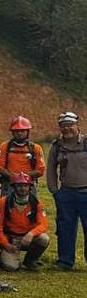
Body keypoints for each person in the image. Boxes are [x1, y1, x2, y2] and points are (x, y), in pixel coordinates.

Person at [46, 111, 87, 271]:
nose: (67, 128)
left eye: (70, 125)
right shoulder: (57, 146)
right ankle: (65, 262)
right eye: (63, 126)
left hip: (86, 193)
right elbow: (50, 169)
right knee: (65, 229)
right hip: (66, 194)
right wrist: (55, 191)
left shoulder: (86, 142)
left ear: (77, 125)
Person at [0, 172, 49, 271]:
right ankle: (5, 256)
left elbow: (43, 224)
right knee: (10, 267)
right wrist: (5, 244)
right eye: (19, 186)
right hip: (11, 239)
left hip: (27, 238)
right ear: (14, 187)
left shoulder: (36, 203)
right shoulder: (4, 202)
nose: (22, 188)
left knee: (44, 239)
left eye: (25, 185)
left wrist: (31, 234)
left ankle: (30, 261)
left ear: (30, 187)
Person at [0, 116, 45, 196]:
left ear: (27, 131)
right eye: (16, 131)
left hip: (29, 185)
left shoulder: (36, 148)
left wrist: (23, 178)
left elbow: (40, 170)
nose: (19, 133)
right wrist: (13, 177)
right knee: (6, 207)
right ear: (12, 132)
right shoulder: (4, 147)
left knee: (31, 207)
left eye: (22, 130)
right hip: (9, 184)